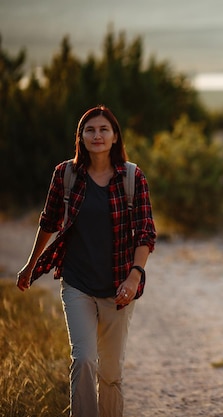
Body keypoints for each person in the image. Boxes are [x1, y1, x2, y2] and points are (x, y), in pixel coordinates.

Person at [16, 105, 157, 417]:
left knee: (110, 373)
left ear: (115, 136)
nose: (97, 135)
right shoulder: (66, 175)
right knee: (83, 360)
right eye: (90, 129)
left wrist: (134, 277)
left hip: (119, 287)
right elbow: (48, 222)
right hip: (77, 284)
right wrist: (30, 265)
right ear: (80, 136)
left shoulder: (132, 177)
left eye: (104, 129)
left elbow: (146, 233)